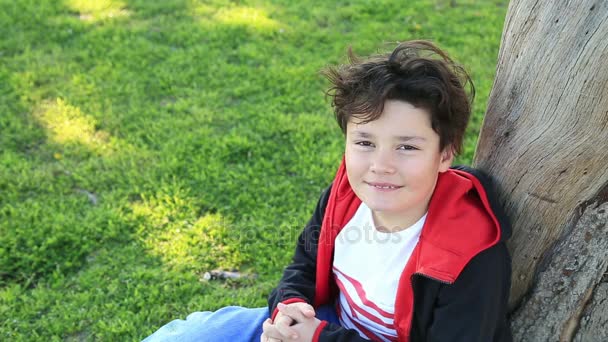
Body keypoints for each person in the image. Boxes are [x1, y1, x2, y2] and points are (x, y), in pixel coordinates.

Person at [143, 40, 512, 342]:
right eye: (365, 142)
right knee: (199, 333)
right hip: (327, 324)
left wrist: (320, 338)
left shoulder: (469, 251)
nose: (380, 165)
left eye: (407, 147)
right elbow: (302, 265)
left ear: (444, 153)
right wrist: (290, 308)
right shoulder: (345, 196)